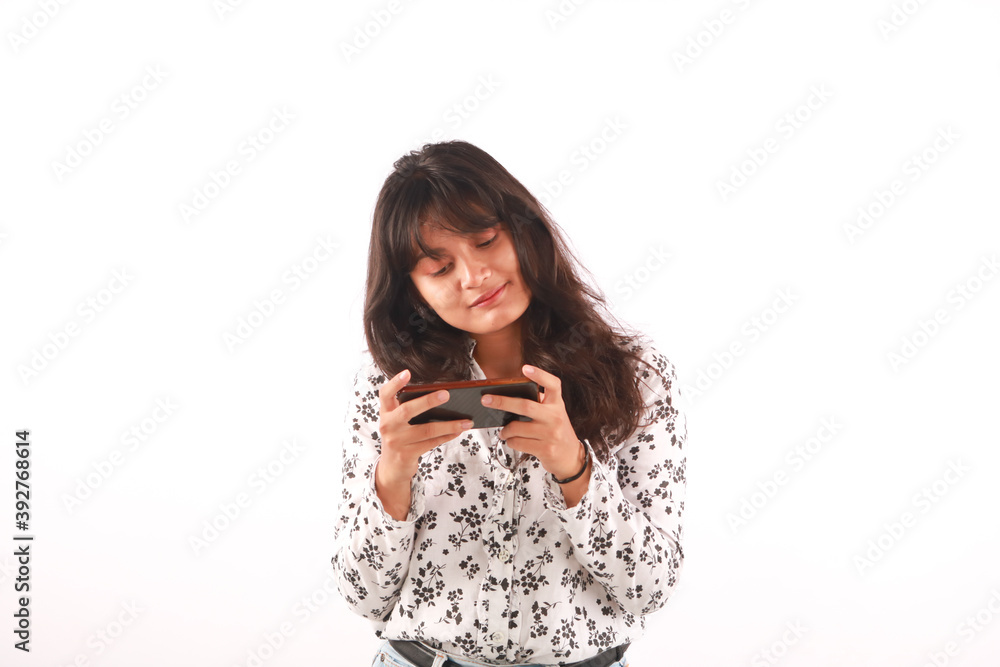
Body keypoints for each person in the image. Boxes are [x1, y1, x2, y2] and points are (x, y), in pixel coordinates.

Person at [331, 140, 687, 667]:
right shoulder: (388, 389)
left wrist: (574, 467)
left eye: (486, 241)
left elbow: (650, 588)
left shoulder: (637, 376)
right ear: (412, 290)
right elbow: (362, 596)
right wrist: (394, 473)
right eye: (439, 268)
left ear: (526, 232)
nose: (473, 277)